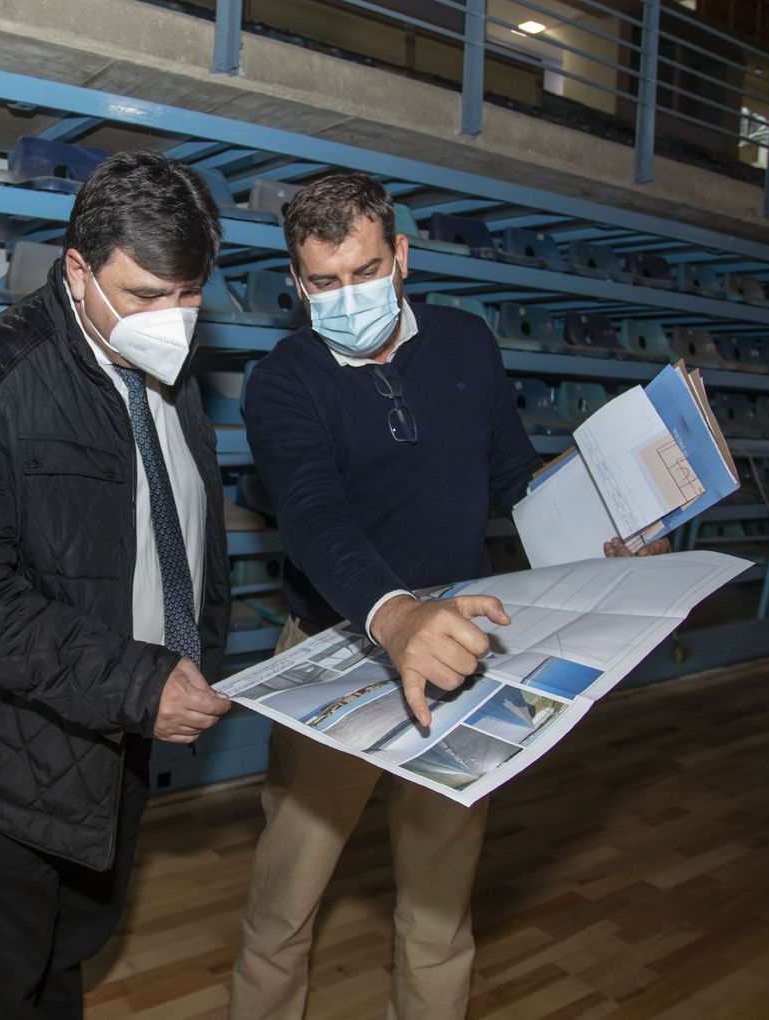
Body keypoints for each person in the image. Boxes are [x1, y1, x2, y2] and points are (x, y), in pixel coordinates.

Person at [230, 172, 666, 1019]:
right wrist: (392, 616)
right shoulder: (284, 380)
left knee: (439, 913)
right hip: (336, 650)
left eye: (363, 271)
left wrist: (607, 522)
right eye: (322, 283)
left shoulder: (467, 344)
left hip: (460, 656)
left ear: (402, 256)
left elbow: (513, 476)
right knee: (284, 903)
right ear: (296, 284)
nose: (345, 296)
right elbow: (314, 519)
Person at [0, 150, 235, 1018]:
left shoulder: (173, 369)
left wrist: (200, 655)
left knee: (68, 958)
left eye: (191, 294)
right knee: (1, 982)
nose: (174, 319)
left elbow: (191, 527)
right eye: (148, 295)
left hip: (117, 734)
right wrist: (138, 682)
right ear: (78, 270)